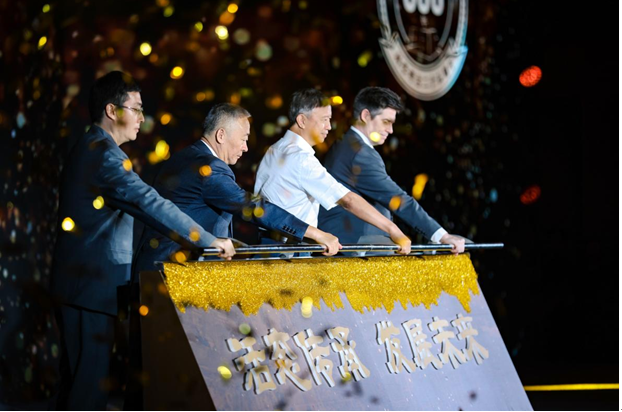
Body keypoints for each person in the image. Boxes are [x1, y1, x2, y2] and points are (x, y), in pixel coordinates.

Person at [50, 71, 234, 410]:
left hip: (82, 287)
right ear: (111, 110)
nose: (141, 118)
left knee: (78, 388)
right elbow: (148, 202)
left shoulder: (93, 146)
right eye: (136, 108)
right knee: (87, 395)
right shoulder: (103, 155)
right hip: (88, 289)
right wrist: (207, 239)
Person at [134, 103, 341, 273]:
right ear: (221, 135)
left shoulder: (184, 156)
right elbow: (252, 207)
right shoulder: (210, 168)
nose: (246, 147)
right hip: (176, 271)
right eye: (243, 139)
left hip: (156, 266)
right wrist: (315, 234)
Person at [254, 89, 412, 255]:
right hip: (288, 252)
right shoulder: (300, 158)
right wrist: (393, 230)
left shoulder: (275, 149)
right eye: (324, 119)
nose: (329, 126)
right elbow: (348, 200)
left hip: (268, 246)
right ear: (302, 120)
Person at [318, 87, 465, 254]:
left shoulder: (347, 144)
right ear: (365, 116)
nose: (391, 130)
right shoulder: (360, 154)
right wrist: (442, 236)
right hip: (355, 247)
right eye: (386, 122)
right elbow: (399, 200)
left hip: (349, 243)